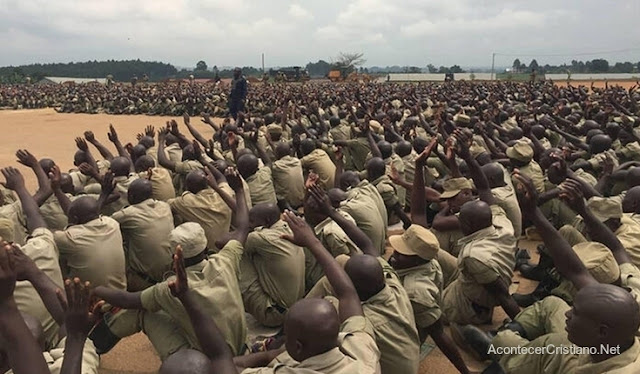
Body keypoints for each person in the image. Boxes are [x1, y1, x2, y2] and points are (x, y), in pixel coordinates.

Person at [92, 168, 249, 360]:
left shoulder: (170, 288)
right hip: (241, 350)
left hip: (206, 362)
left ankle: (89, 348)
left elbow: (126, 301)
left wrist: (97, 290)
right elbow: (242, 226)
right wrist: (239, 190)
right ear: (204, 246)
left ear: (175, 257)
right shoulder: (225, 260)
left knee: (142, 312)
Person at [241, 203, 305, 327]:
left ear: (267, 221)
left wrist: (243, 228)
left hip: (274, 316)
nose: (249, 224)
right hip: (295, 306)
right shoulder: (290, 227)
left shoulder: (259, 238)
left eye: (252, 221)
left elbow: (222, 242)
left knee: (237, 253)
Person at [111, 178, 175, 291]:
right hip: (170, 276)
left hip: (144, 281)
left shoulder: (128, 214)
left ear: (132, 197)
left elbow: (105, 224)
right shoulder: (165, 206)